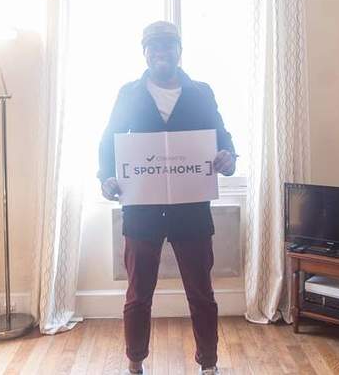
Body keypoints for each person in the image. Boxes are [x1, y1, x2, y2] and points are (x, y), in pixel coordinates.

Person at [98, 21, 236, 375]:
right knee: (138, 294)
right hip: (141, 212)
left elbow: (223, 138)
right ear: (144, 53)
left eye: (168, 45)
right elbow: (109, 141)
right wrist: (107, 177)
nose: (161, 52)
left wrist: (227, 158)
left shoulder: (201, 92)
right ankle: (135, 363)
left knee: (201, 293)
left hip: (192, 211)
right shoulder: (129, 94)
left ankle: (209, 365)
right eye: (154, 47)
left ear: (179, 50)